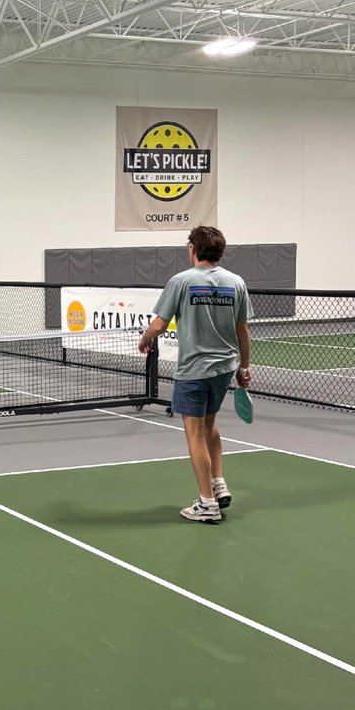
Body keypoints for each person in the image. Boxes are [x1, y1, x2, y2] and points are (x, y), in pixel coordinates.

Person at [138, 224, 252, 524]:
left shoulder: (181, 281)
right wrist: (244, 367)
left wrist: (145, 337)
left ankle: (207, 504)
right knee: (209, 426)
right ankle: (218, 481)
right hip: (224, 368)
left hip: (193, 370)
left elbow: (160, 324)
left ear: (192, 249)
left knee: (193, 435)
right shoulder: (236, 282)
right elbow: (243, 330)